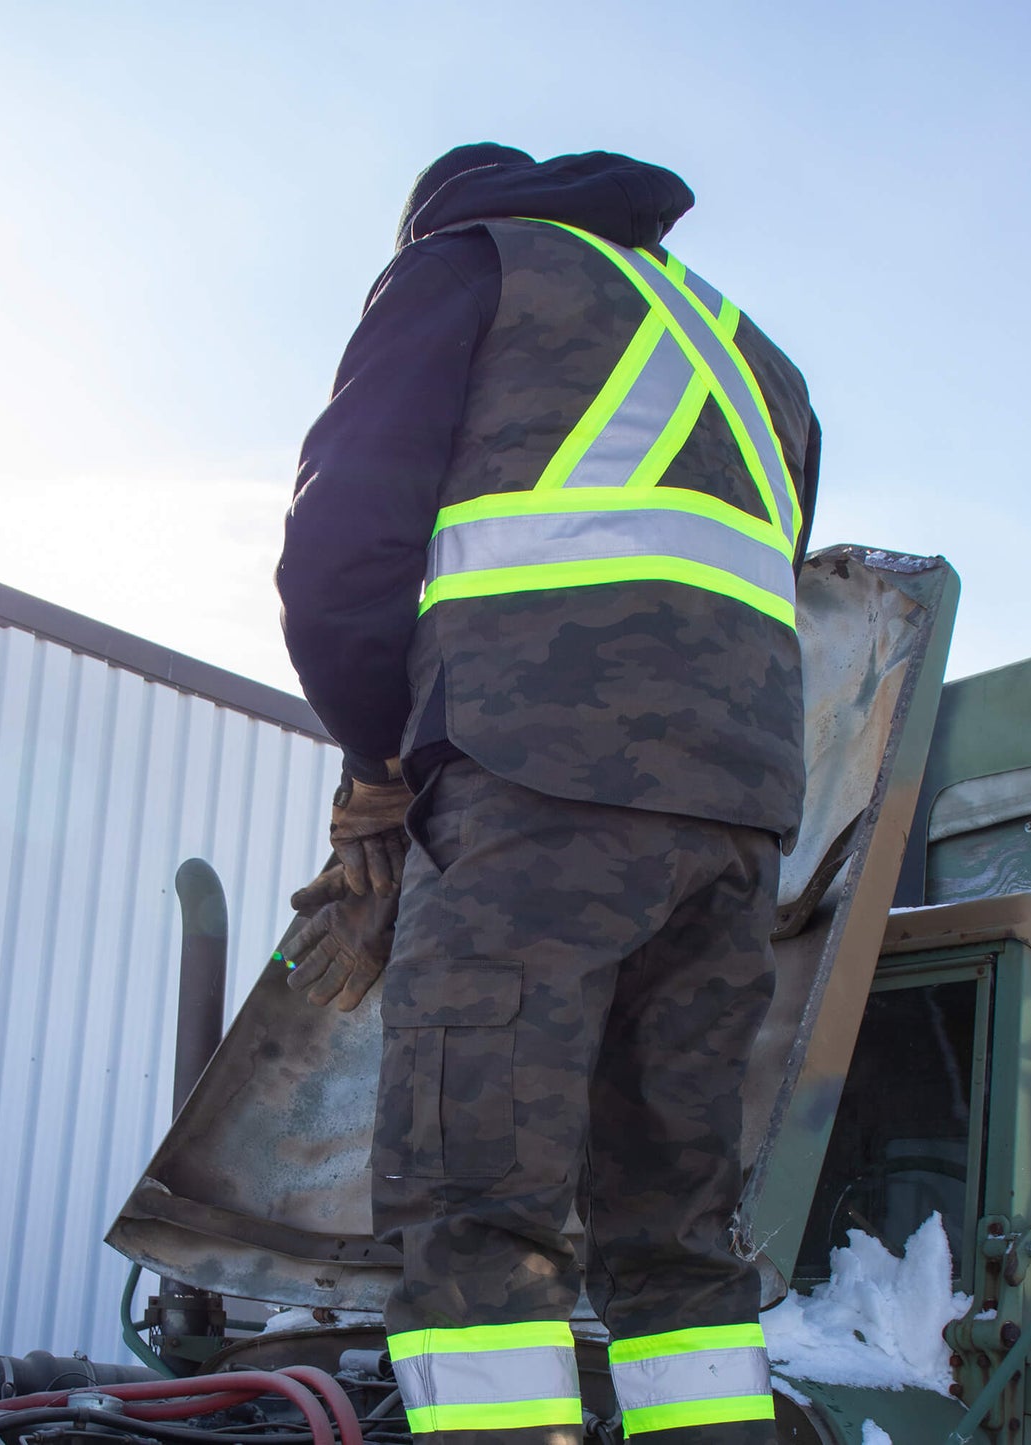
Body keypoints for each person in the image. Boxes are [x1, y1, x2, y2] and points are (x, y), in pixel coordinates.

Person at [277, 144, 819, 1445]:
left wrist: (376, 762)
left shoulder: (466, 268)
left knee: (478, 1219)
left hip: (536, 791)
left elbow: (341, 550)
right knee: (679, 1242)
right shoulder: (756, 360)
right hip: (739, 820)